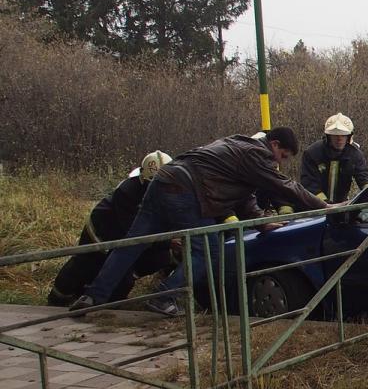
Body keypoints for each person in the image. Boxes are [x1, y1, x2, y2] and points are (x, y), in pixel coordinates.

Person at [70, 128, 332, 316]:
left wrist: (260, 222)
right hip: (186, 191)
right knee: (207, 250)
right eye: (283, 156)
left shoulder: (237, 144)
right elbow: (283, 186)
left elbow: (243, 196)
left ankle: (93, 295)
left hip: (163, 181)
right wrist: (325, 207)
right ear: (274, 144)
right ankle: (165, 297)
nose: (280, 163)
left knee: (132, 243)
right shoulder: (257, 154)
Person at [47, 151, 177, 307]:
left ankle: (107, 304)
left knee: (153, 262)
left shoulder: (170, 194)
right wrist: (168, 241)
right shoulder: (128, 192)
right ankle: (58, 299)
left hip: (131, 240)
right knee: (83, 265)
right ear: (143, 177)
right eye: (152, 184)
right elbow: (134, 233)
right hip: (102, 233)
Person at [300, 113, 368, 205]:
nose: (339, 139)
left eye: (343, 135)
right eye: (335, 135)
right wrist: (326, 204)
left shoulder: (355, 155)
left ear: (349, 137)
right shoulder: (312, 153)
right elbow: (309, 184)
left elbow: (364, 177)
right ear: (328, 136)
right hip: (314, 206)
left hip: (341, 206)